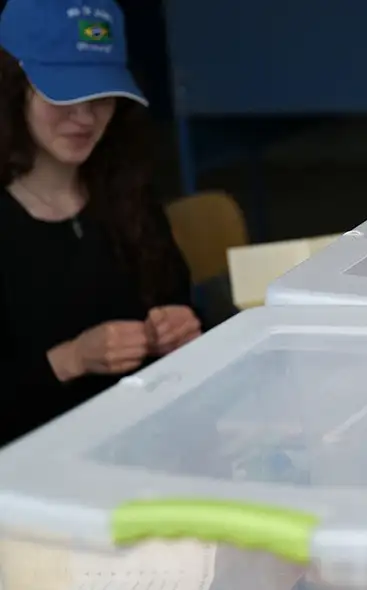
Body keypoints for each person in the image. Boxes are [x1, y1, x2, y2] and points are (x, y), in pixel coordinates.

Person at [0, 0, 201, 446]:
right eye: (63, 96)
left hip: (148, 439)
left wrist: (183, 326)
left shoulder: (125, 193)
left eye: (102, 96)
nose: (86, 117)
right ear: (12, 88)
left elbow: (177, 298)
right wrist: (69, 360)